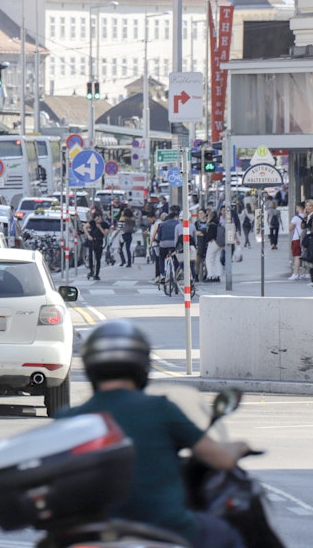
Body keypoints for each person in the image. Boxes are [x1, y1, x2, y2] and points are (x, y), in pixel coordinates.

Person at [58, 320, 249, 548]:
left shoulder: (68, 419)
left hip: (93, 534)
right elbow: (222, 459)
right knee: (228, 535)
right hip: (167, 529)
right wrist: (239, 447)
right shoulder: (160, 409)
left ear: (90, 368)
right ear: (142, 366)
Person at [84, 213, 109, 281]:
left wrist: (100, 227)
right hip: (92, 241)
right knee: (90, 257)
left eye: (98, 219)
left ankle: (96, 274)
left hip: (99, 241)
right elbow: (85, 227)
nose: (97, 220)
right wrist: (88, 235)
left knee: (98, 258)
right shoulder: (92, 222)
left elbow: (105, 234)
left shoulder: (105, 224)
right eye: (96, 219)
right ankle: (91, 271)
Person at [289, 202, 306, 280]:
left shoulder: (296, 218)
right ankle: (303, 272)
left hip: (297, 238)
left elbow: (290, 228)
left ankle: (295, 273)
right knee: (304, 256)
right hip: (305, 238)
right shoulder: (307, 217)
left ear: (299, 208)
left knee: (297, 256)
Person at [204, 210, 222, 282]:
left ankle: (210, 276)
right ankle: (217, 275)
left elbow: (210, 236)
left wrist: (206, 239)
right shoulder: (218, 224)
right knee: (217, 259)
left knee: (209, 259)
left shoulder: (211, 225)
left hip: (213, 243)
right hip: (219, 243)